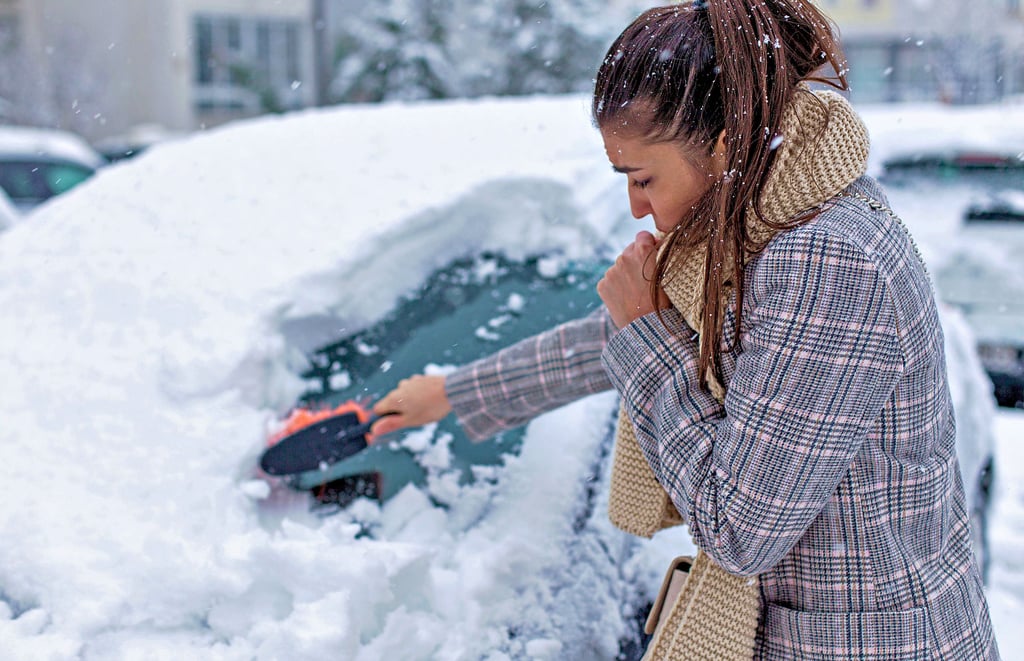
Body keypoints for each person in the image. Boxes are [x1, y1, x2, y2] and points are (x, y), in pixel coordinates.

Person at [370, 1, 999, 658]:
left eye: (642, 178)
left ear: (726, 144)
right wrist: (450, 394)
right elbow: (612, 339)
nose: (636, 206)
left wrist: (646, 331)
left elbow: (739, 526)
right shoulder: (765, 218)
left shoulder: (825, 258)